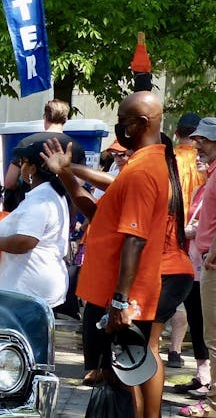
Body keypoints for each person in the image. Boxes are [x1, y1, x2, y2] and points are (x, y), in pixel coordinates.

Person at [64, 92, 172, 418]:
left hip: (123, 293)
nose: (119, 126)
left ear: (142, 123)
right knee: (123, 368)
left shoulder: (143, 171)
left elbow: (134, 239)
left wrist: (121, 301)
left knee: (124, 372)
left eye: (124, 120)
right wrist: (64, 172)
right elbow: (100, 216)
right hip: (113, 290)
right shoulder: (139, 164)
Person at [0, 140, 70, 307]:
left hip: (31, 293)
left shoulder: (40, 199)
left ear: (33, 168)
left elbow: (25, 241)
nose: (21, 168)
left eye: (23, 163)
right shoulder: (48, 194)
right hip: (31, 290)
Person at [169, 113, 207, 370]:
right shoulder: (203, 165)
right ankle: (179, 352)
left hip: (175, 234)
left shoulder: (171, 158)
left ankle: (175, 351)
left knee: (179, 295)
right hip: (195, 240)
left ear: (176, 133)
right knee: (191, 298)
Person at [184, 117, 216, 416]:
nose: (198, 145)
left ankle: (212, 402)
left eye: (204, 140)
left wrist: (212, 252)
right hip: (205, 260)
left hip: (210, 262)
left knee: (213, 337)